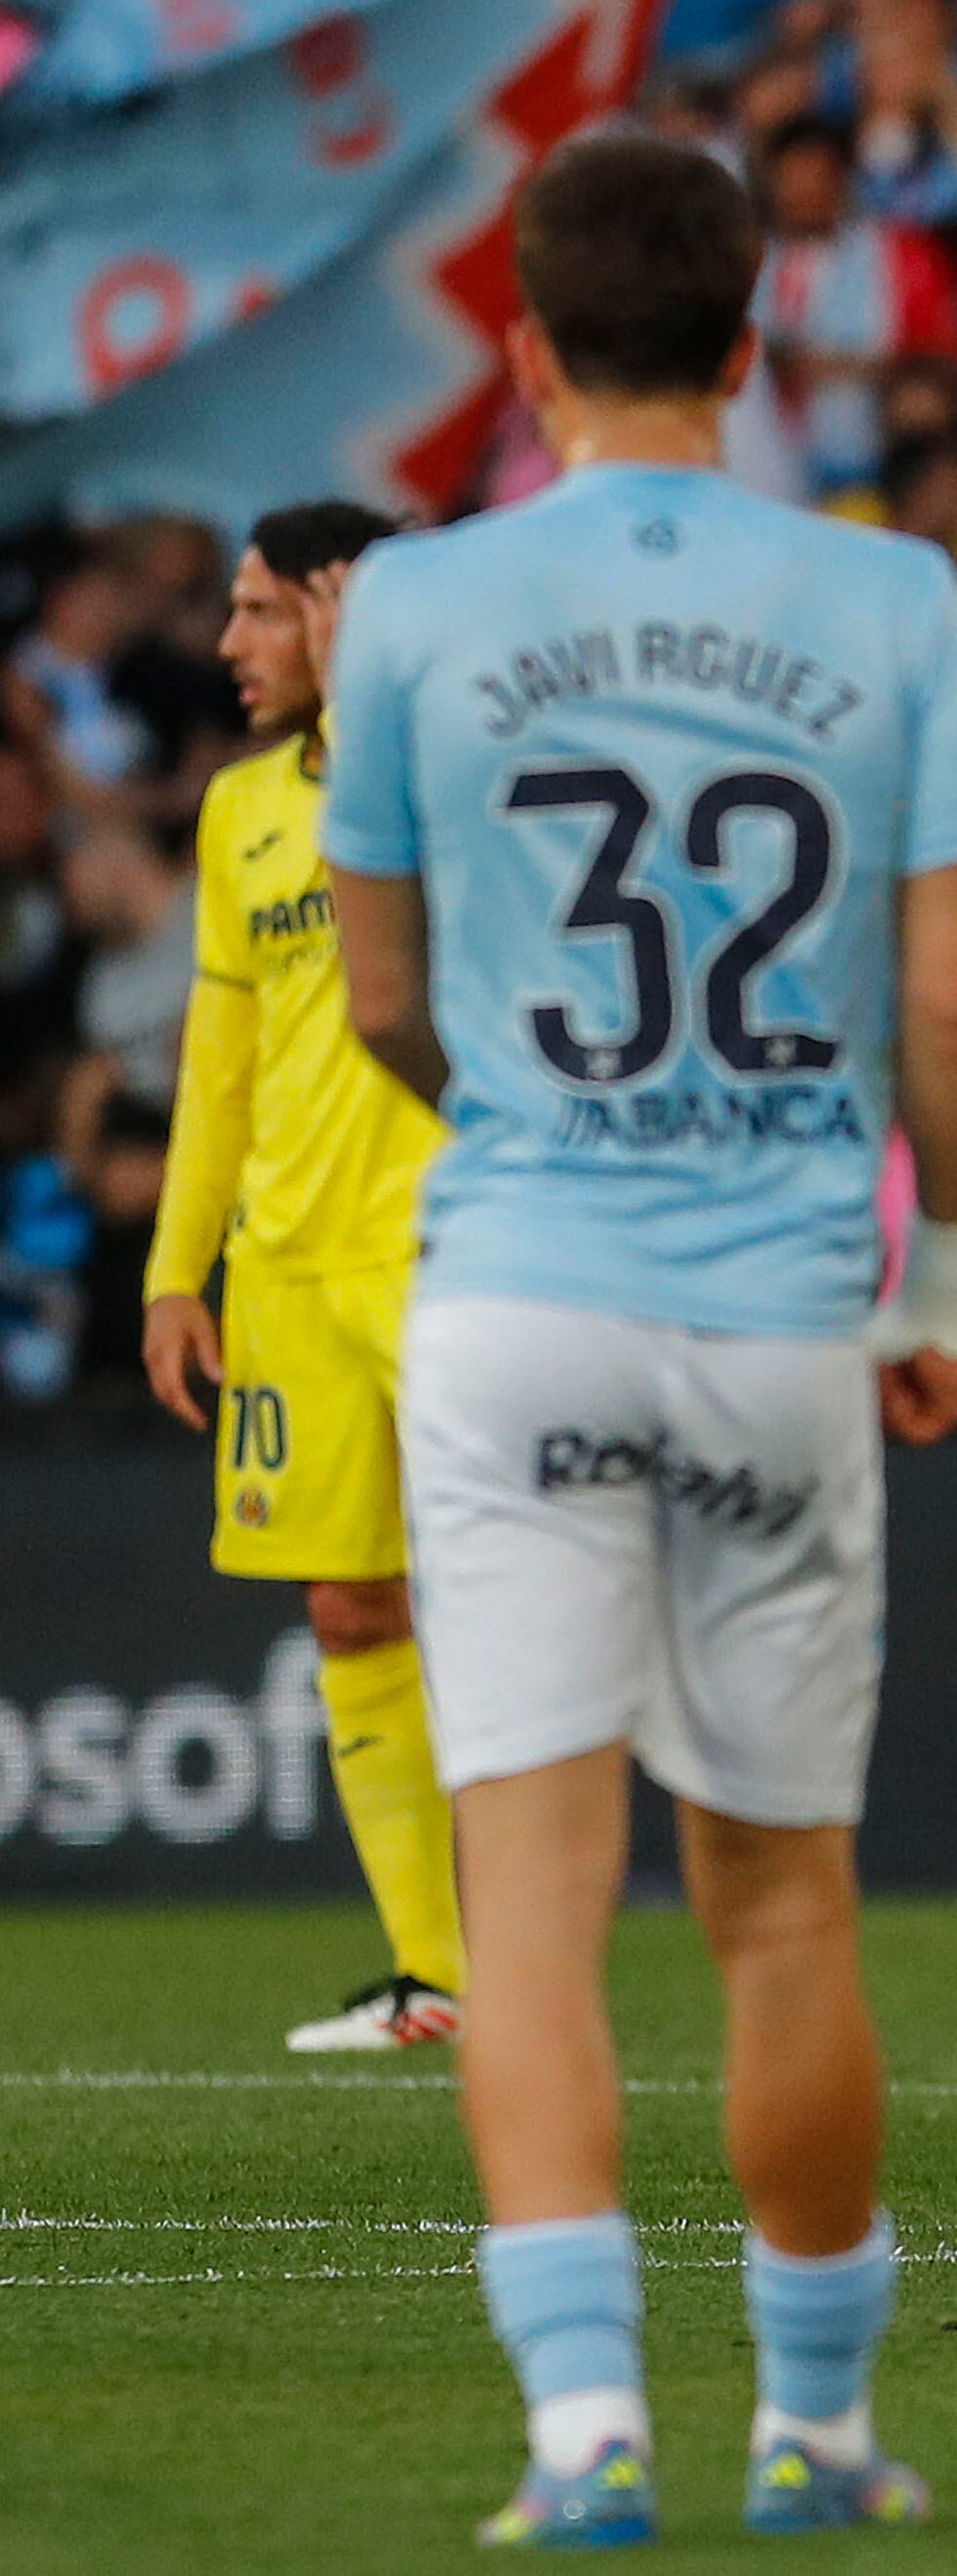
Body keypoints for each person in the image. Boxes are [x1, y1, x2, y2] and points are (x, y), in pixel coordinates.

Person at [318, 135, 957, 2543]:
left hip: (514, 1288)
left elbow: (384, 993)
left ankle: (581, 2433)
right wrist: (945, 1275)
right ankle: (811, 2434)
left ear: (520, 347)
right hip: (776, 1309)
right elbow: (951, 1003)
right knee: (784, 1903)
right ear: (753, 340)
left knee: (527, 1898)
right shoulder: (895, 598)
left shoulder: (405, 602)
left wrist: (522, 1112)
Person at [136, 499, 463, 2056]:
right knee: (347, 1607)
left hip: (447, 1245)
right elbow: (224, 1056)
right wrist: (175, 1265)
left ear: (342, 615)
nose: (229, 642)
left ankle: (541, 1946)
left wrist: (381, 690)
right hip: (287, 1264)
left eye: (263, 609)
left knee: (508, 1601)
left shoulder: (468, 771)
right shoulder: (237, 810)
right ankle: (438, 1979)